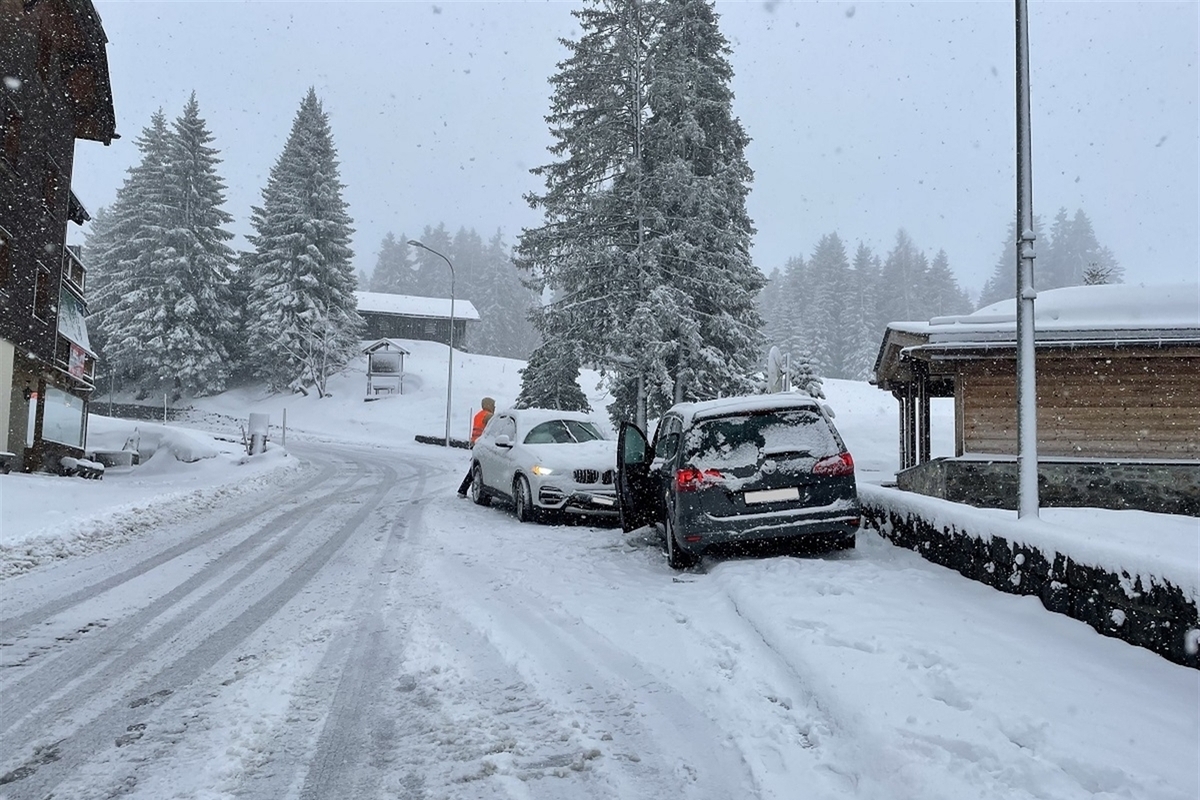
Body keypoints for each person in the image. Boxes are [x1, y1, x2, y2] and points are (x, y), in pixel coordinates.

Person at [457, 396, 496, 497]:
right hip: (484, 444)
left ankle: (463, 489)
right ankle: (467, 490)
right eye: (493, 405)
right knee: (480, 468)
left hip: (476, 443)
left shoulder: (478, 415)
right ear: (489, 405)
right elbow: (495, 428)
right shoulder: (489, 416)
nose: (494, 407)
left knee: (476, 467)